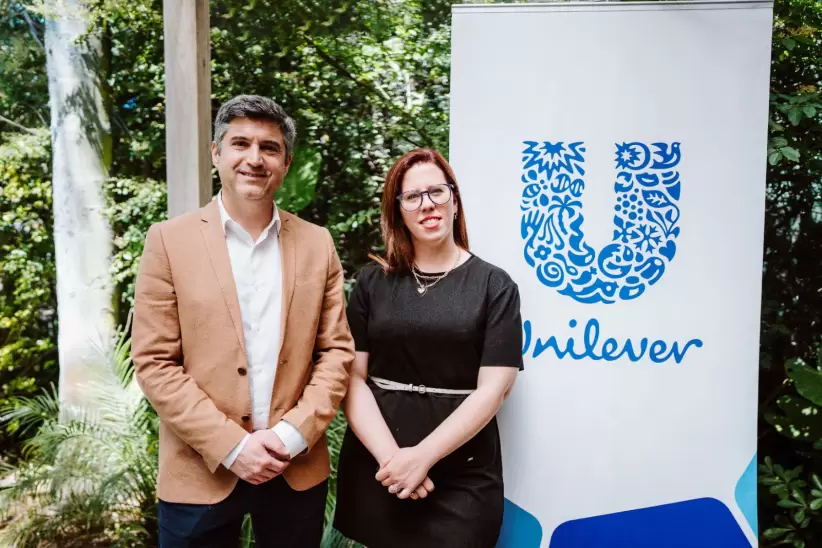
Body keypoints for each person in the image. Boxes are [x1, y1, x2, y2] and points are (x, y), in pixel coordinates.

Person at [131, 94, 354, 547]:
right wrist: (233, 446)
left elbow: (335, 352)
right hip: (199, 470)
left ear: (286, 162)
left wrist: (290, 437)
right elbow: (155, 363)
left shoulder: (317, 243)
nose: (255, 158)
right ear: (217, 153)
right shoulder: (168, 242)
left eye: (269, 147)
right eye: (240, 144)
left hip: (293, 467)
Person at [333, 148, 523, 547]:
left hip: (462, 474)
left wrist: (420, 458)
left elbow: (495, 389)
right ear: (398, 210)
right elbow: (351, 378)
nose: (427, 205)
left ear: (454, 199)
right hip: (379, 469)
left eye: (437, 192)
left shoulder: (495, 286)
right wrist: (394, 461)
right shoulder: (371, 283)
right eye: (412, 197)